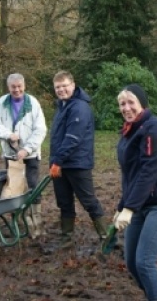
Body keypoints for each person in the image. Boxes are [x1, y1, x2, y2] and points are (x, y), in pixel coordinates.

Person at [113, 84, 157, 301]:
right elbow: (131, 175)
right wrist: (121, 208)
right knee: (132, 263)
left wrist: (129, 208)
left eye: (131, 102)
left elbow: (148, 172)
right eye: (122, 104)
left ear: (142, 104)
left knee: (144, 262)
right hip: (141, 202)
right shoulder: (130, 130)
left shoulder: (153, 129)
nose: (126, 108)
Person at [48, 71, 109, 249]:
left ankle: (106, 237)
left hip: (77, 164)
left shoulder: (79, 107)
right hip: (60, 164)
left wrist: (57, 161)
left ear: (73, 85)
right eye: (57, 87)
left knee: (88, 201)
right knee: (64, 202)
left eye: (64, 86)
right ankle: (66, 238)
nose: (61, 90)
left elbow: (73, 138)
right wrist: (55, 162)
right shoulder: (62, 106)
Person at [0, 73, 48, 237]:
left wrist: (27, 149)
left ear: (24, 86)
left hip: (31, 155)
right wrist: (8, 135)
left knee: (33, 186)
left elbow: (40, 129)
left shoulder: (33, 103)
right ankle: (25, 221)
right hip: (11, 155)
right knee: (15, 187)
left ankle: (38, 223)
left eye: (19, 86)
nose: (17, 90)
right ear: (9, 87)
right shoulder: (1, 103)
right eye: (13, 87)